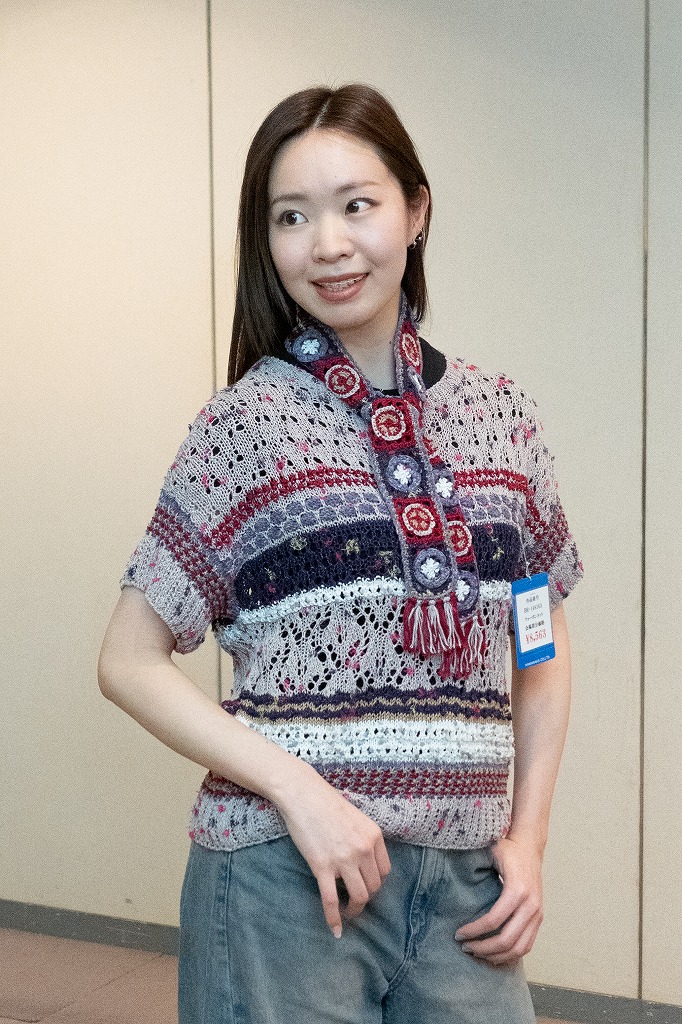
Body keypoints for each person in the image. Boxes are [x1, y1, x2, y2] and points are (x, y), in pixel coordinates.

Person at [99, 83, 582, 1024]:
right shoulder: (243, 427)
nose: (327, 244)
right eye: (292, 217)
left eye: (357, 205)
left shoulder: (502, 418)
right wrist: (302, 795)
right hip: (287, 877)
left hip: (467, 888)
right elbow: (127, 659)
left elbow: (542, 644)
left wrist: (528, 839)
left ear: (416, 210)